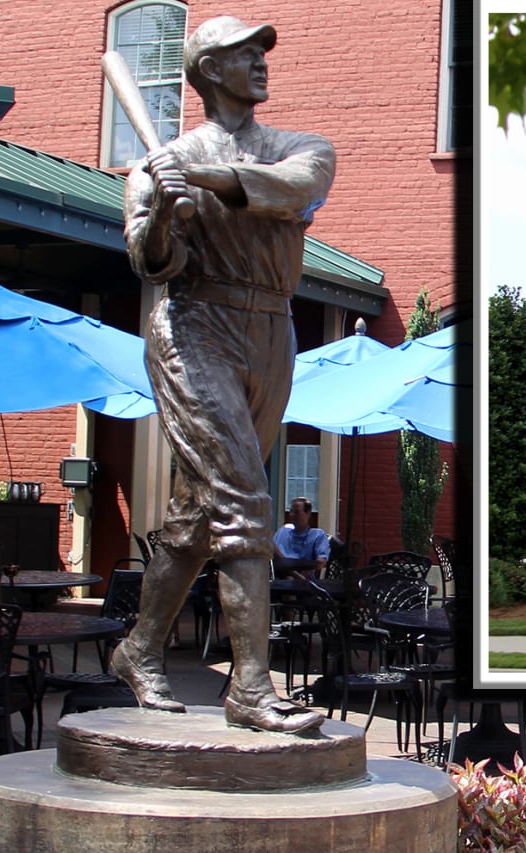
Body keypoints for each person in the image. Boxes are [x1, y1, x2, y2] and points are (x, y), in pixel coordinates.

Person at [108, 16, 332, 732]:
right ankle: (250, 689)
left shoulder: (301, 147)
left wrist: (200, 178)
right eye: (242, 56)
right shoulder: (156, 167)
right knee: (243, 500)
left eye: (261, 52)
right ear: (207, 70)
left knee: (196, 516)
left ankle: (138, 649)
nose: (260, 65)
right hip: (193, 328)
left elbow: (294, 190)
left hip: (271, 327)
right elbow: (150, 264)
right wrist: (167, 213)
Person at [273, 496, 333, 578]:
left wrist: (308, 571)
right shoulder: (283, 532)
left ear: (308, 513)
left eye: (296, 512)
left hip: (302, 582)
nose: (292, 515)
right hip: (279, 578)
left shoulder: (317, 535)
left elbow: (321, 562)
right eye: (291, 511)